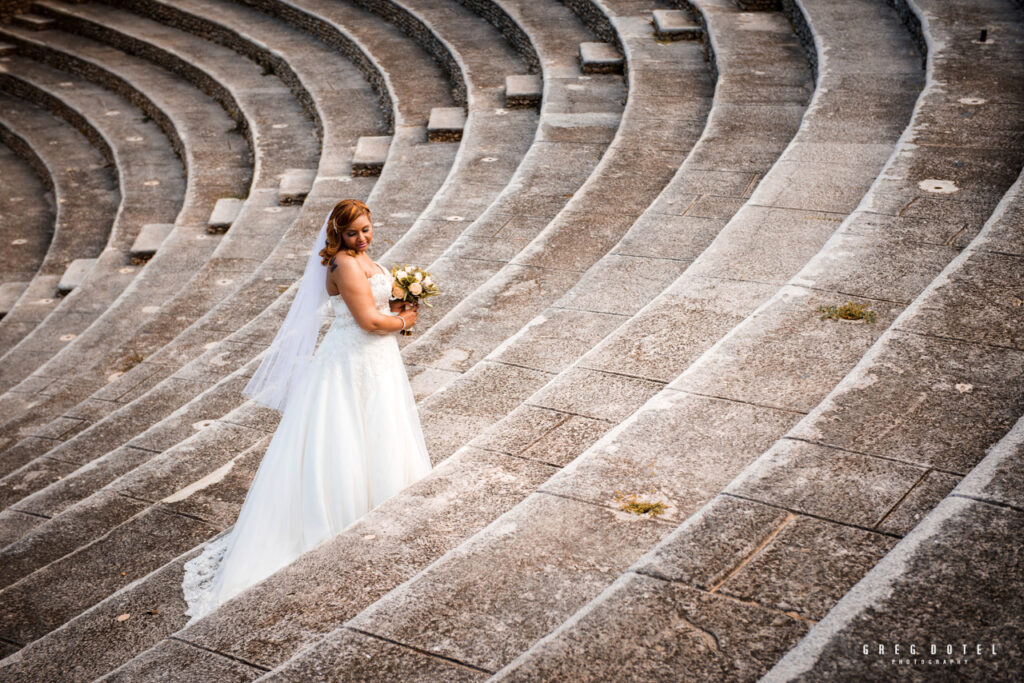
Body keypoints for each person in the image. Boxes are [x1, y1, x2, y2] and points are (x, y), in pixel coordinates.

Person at [182, 199, 432, 624]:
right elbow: (368, 321)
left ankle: (382, 498)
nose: (362, 238)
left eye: (367, 229)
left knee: (380, 428)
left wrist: (404, 303)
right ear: (337, 232)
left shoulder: (362, 257)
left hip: (377, 361)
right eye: (353, 232)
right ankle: (344, 514)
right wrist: (405, 320)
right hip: (352, 361)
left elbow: (378, 314)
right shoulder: (344, 265)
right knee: (346, 433)